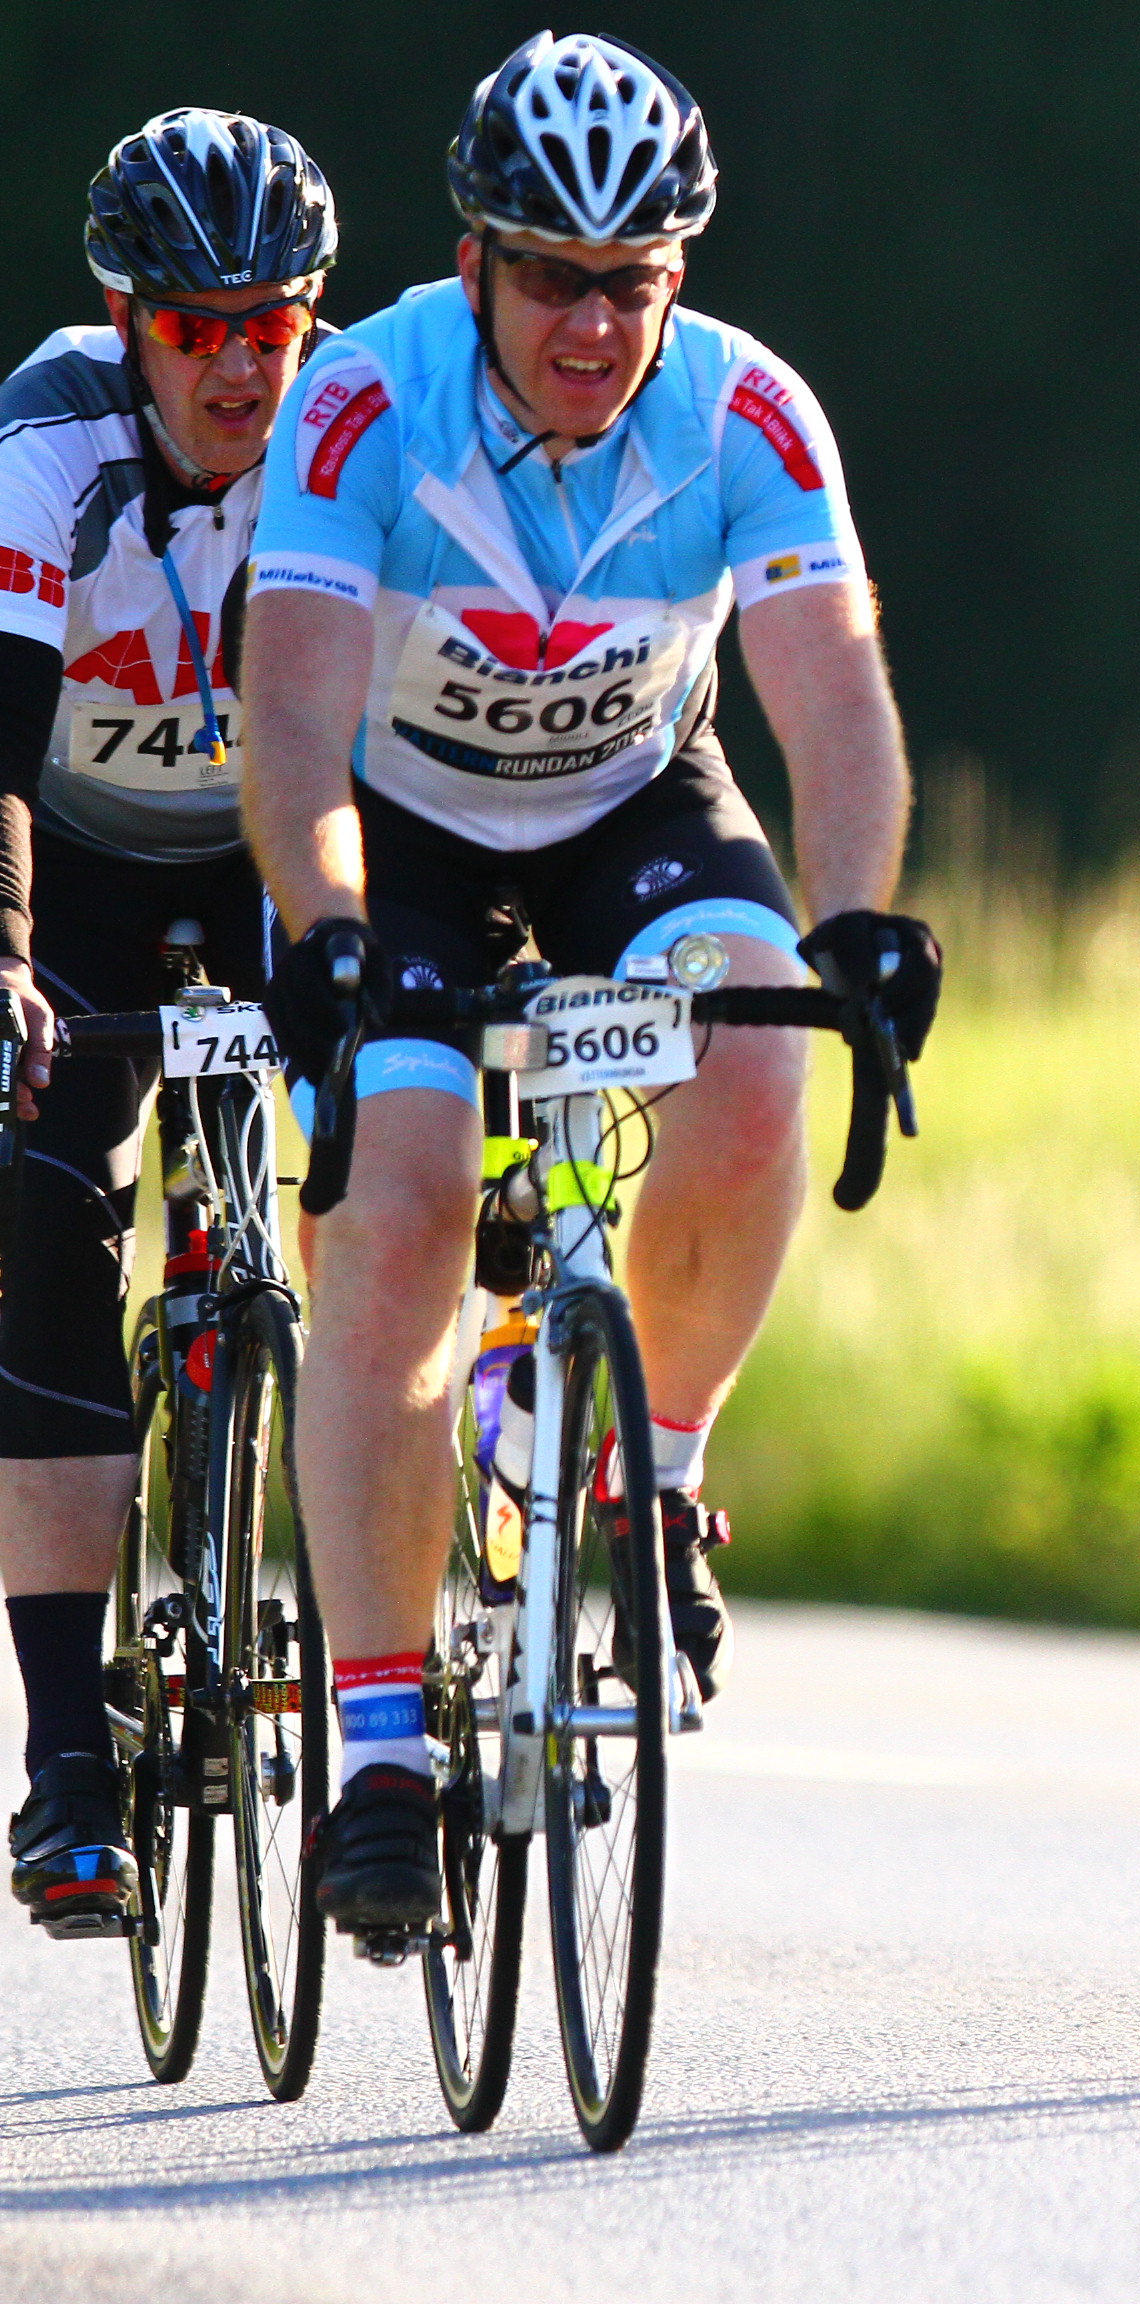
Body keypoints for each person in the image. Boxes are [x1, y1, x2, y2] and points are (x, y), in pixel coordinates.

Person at [241, 32, 938, 1934]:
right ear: (473, 261)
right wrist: (322, 928)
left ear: (676, 279)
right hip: (402, 837)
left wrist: (860, 919)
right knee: (402, 1206)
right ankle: (384, 1746)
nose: (593, 323)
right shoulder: (361, 404)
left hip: (636, 800)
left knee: (761, 1058)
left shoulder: (746, 411)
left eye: (631, 282)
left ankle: (654, 1480)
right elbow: (290, 720)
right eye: (551, 276)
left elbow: (833, 699)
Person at [2, 112, 337, 1940]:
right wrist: (3, 959)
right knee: (48, 1207)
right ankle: (66, 1762)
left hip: (279, 849)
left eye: (269, 324)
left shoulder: (354, 433)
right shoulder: (48, 443)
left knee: (391, 1136)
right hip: (69, 868)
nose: (236, 366)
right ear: (128, 320)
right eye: (194, 327)